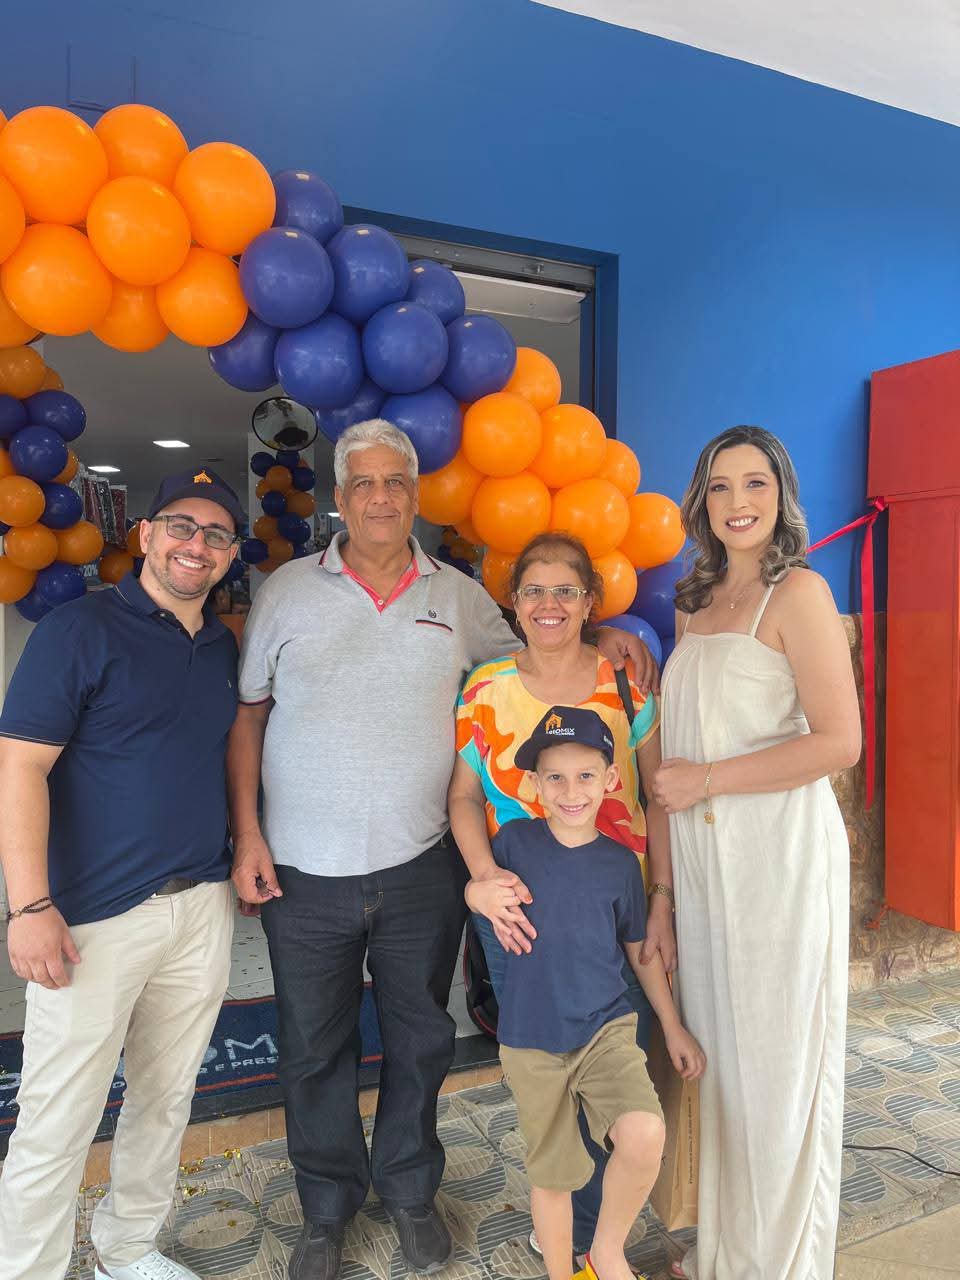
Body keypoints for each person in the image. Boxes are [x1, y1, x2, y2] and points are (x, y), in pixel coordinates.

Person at [228, 420, 657, 1280]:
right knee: (313, 1047)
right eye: (363, 483)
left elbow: (538, 654)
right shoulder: (285, 591)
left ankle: (410, 1193)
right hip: (303, 870)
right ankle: (326, 1208)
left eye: (396, 481)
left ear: (416, 494)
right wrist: (248, 834)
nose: (380, 497)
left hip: (422, 866)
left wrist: (606, 636)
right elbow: (250, 717)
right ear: (339, 497)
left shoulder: (458, 598)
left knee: (421, 1040)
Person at [0, 467, 244, 1280]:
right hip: (90, 919)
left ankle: (128, 1249)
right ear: (145, 534)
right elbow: (20, 768)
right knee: (57, 1118)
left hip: (200, 905)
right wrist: (28, 906)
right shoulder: (78, 628)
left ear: (231, 553)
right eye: (181, 526)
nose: (196, 545)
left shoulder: (221, 645)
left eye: (216, 534)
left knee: (165, 1098)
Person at [653, 426, 861, 1280]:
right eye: (720, 486)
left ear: (782, 497)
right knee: (727, 1072)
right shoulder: (692, 601)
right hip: (708, 870)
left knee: (776, 1071)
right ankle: (727, 1251)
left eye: (756, 485)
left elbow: (840, 742)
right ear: (701, 502)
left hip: (779, 862)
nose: (737, 503)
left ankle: (775, 1264)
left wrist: (707, 781)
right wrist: (666, 892)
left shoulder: (800, 593)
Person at [448, 530, 674, 1263]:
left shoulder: (624, 683)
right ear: (514, 603)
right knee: (548, 1076)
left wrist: (661, 897)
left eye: (566, 590)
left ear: (589, 602)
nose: (550, 604)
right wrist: (483, 879)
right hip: (518, 912)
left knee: (618, 1070)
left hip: (615, 905)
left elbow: (657, 798)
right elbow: (462, 797)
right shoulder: (485, 687)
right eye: (534, 590)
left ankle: (595, 1241)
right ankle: (565, 1239)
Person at [470, 706, 704, 1280]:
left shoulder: (620, 863)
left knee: (643, 1133)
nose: (570, 791)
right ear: (534, 783)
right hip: (532, 1040)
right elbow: (479, 891)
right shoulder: (514, 844)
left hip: (605, 1031)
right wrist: (478, 894)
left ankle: (605, 1253)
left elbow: (639, 951)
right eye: (555, 776)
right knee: (554, 1176)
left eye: (584, 776)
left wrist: (671, 1025)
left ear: (610, 779)